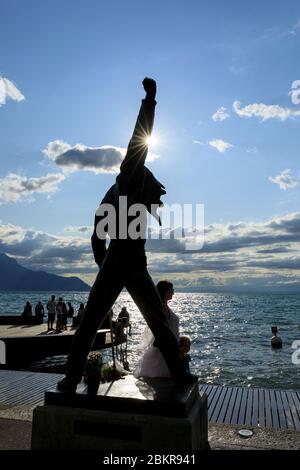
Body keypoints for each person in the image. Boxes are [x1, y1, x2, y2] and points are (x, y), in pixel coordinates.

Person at [57, 78, 197, 393]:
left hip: (124, 263)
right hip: (126, 262)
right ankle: (71, 377)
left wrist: (103, 263)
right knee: (135, 323)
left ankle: (71, 377)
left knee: (112, 322)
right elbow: (140, 138)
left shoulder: (114, 192)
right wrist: (150, 100)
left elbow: (96, 235)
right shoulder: (131, 176)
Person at [134, 280, 179, 378]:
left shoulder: (164, 306)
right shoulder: (161, 307)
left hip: (171, 345)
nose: (173, 292)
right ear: (166, 291)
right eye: (172, 290)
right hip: (165, 346)